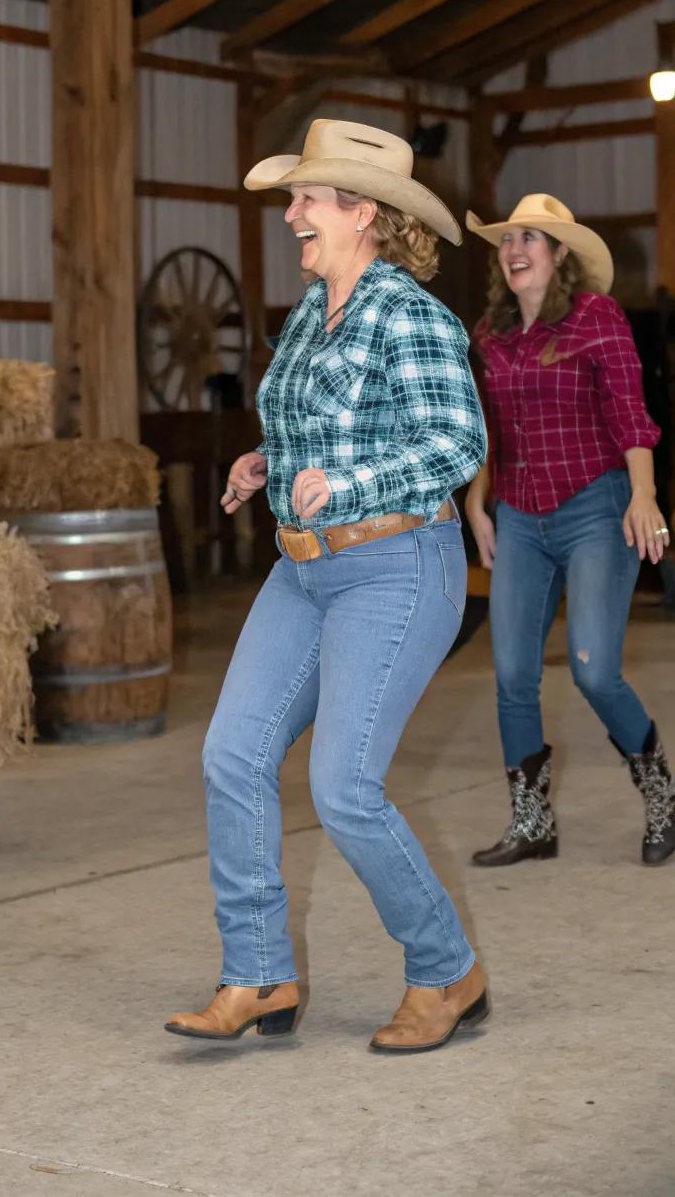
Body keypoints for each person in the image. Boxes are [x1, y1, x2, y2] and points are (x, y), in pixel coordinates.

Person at [165, 120, 490, 1055]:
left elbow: (454, 445)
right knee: (231, 757)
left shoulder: (414, 316)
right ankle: (258, 974)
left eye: (309, 197)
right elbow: (324, 429)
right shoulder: (313, 311)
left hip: (397, 567)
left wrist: (347, 486)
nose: (293, 212)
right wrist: (268, 463)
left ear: (366, 214)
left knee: (343, 787)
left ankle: (446, 972)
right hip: (303, 568)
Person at [465, 194, 674, 868]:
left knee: (593, 669)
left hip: (595, 504)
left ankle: (663, 795)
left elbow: (629, 410)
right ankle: (532, 823)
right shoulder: (490, 334)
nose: (516, 248)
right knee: (512, 673)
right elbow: (487, 430)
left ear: (560, 255)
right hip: (520, 514)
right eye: (508, 239)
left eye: (533, 237)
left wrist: (642, 495)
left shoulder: (597, 317)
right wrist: (478, 499)